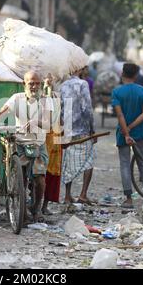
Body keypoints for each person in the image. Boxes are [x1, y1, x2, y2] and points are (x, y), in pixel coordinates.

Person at [0, 71, 53, 222]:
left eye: (37, 83)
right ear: (24, 85)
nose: (35, 87)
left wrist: (36, 122)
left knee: (40, 180)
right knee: (20, 179)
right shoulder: (17, 98)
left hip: (38, 144)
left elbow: (48, 123)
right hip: (20, 144)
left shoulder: (46, 100)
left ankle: (36, 208)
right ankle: (20, 207)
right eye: (31, 83)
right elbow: (2, 111)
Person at [112, 63, 143, 209]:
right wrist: (132, 127)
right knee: (142, 164)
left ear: (122, 73)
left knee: (124, 164)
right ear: (136, 75)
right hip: (139, 133)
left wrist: (126, 131)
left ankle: (128, 199)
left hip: (122, 134)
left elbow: (120, 114)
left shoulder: (117, 92)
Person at [60, 66, 96, 205]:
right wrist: (92, 130)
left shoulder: (62, 86)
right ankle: (83, 194)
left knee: (68, 163)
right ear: (79, 69)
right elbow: (87, 108)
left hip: (68, 130)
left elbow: (61, 108)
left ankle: (67, 196)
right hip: (82, 130)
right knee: (89, 161)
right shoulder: (83, 84)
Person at [41, 74, 62, 215]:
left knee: (51, 172)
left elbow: (59, 118)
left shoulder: (55, 96)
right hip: (38, 138)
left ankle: (44, 204)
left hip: (53, 139)